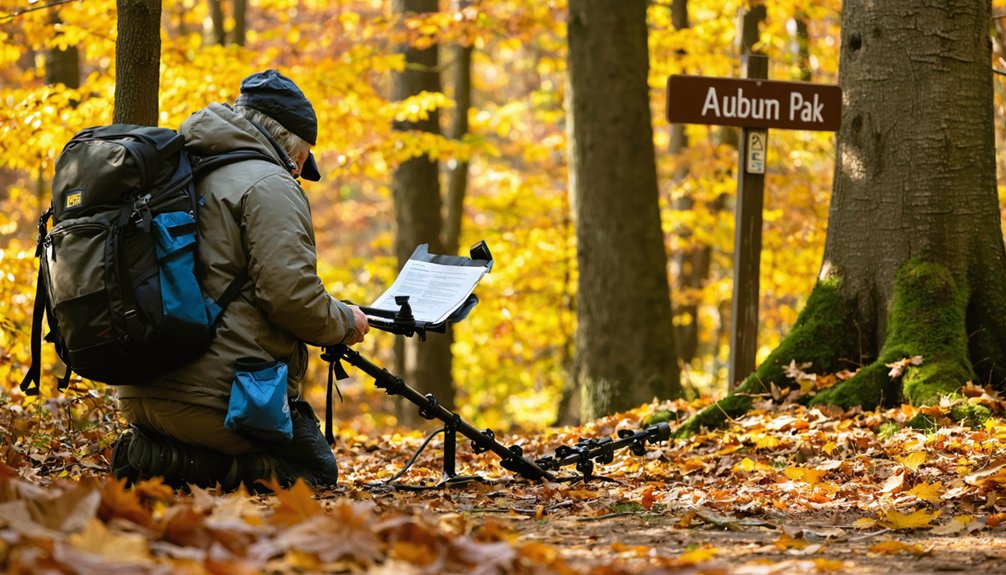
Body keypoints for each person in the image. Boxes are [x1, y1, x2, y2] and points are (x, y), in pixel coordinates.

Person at [110, 69, 369, 491]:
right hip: (219, 403)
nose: (302, 170)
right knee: (315, 471)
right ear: (290, 146)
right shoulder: (271, 184)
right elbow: (291, 297)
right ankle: (164, 460)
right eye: (304, 158)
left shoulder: (179, 170)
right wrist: (345, 322)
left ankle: (156, 453)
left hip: (139, 391)